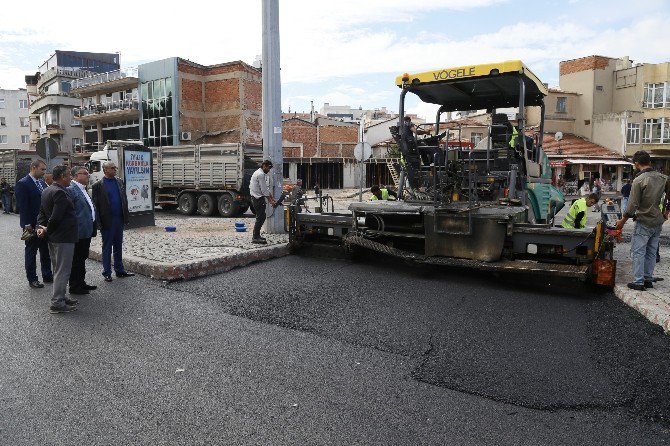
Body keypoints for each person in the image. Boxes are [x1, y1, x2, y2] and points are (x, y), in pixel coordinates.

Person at [615, 151, 669, 291]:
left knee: (639, 252)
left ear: (636, 164)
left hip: (643, 220)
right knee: (651, 252)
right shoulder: (663, 178)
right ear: (649, 162)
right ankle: (648, 279)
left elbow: (632, 205)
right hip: (657, 221)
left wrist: (622, 221)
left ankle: (638, 282)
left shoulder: (639, 180)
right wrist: (666, 212)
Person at [36, 165, 79, 314]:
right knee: (63, 270)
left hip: (55, 238)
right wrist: (47, 229)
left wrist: (41, 228)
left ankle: (61, 296)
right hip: (63, 237)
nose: (71, 178)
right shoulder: (59, 192)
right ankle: (57, 303)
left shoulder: (47, 190)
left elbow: (42, 213)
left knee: (58, 269)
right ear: (62, 176)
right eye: (69, 175)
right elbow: (56, 217)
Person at [91, 161, 134, 282]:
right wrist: (98, 223)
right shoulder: (98, 185)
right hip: (107, 221)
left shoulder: (119, 182)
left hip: (119, 219)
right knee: (107, 247)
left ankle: (120, 270)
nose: (115, 169)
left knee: (118, 245)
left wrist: (126, 216)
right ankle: (107, 272)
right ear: (105, 170)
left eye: (115, 167)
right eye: (112, 168)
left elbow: (124, 199)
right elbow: (96, 205)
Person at [14, 159, 53, 288]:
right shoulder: (22, 183)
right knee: (30, 251)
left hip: (42, 224)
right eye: (42, 169)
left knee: (45, 251)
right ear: (34, 168)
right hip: (29, 225)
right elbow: (23, 207)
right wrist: (27, 226)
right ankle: (32, 279)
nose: (44, 172)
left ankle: (47, 275)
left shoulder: (42, 183)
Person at [68, 166, 98, 295]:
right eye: (84, 173)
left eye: (88, 173)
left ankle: (81, 282)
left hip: (86, 230)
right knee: (76, 259)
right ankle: (74, 286)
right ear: (75, 176)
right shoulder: (71, 190)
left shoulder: (83, 189)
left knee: (82, 258)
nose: (88, 175)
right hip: (78, 232)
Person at [249, 160, 277, 244]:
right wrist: (271, 201)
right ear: (264, 165)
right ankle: (255, 237)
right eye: (268, 168)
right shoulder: (260, 175)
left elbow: (266, 189)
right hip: (258, 199)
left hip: (256, 198)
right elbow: (264, 190)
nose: (269, 170)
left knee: (261, 217)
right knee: (260, 217)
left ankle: (257, 235)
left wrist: (272, 198)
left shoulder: (258, 173)